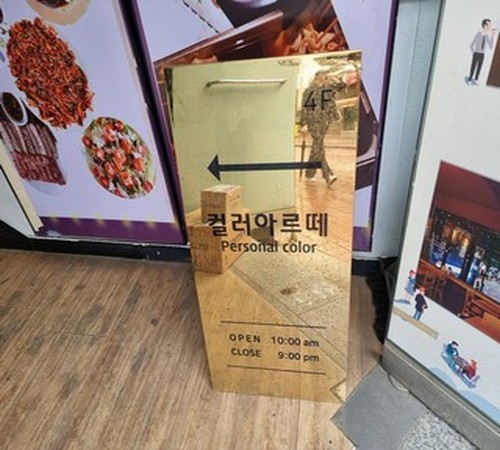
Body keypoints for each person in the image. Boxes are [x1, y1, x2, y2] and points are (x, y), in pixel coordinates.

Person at [300, 69, 356, 186]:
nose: (325, 77)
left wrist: (345, 79)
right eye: (323, 75)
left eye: (326, 75)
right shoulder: (309, 91)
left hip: (324, 121)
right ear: (317, 76)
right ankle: (328, 175)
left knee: (317, 146)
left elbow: (336, 92)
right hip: (313, 121)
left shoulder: (327, 89)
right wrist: (303, 124)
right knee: (318, 144)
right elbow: (305, 109)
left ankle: (309, 173)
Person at [466, 19, 497, 86]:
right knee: (473, 67)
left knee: (479, 67)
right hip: (476, 53)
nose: (490, 27)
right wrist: (474, 52)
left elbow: (491, 46)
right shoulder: (479, 34)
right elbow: (472, 44)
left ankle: (476, 79)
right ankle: (470, 79)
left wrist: (492, 36)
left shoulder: (487, 36)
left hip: (482, 54)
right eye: (489, 25)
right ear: (484, 25)